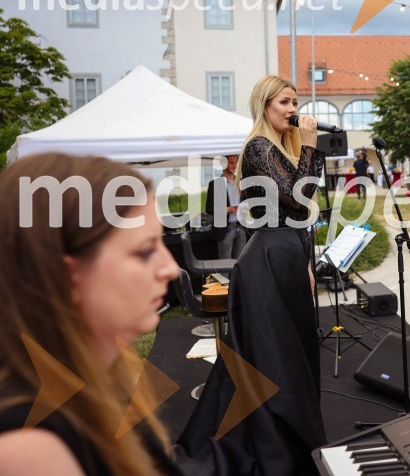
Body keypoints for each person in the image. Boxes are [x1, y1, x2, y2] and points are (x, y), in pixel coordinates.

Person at [177, 75, 326, 474]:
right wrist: (310, 148)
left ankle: (292, 436)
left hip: (288, 255)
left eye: (295, 102)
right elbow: (296, 204)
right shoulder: (258, 147)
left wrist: (306, 263)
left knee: (293, 351)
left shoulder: (283, 149)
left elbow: (301, 210)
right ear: (265, 106)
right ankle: (275, 443)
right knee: (272, 358)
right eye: (284, 102)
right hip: (267, 259)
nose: (293, 110)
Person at [0, 153, 181, 476]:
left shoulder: (97, 380)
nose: (170, 268)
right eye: (144, 251)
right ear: (65, 275)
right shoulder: (30, 447)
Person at [206, 154, 248, 259]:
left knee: (240, 263)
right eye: (231, 163)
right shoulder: (215, 184)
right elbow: (208, 208)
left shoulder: (241, 183)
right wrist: (227, 209)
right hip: (226, 230)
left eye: (236, 163)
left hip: (241, 228)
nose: (234, 166)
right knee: (225, 264)